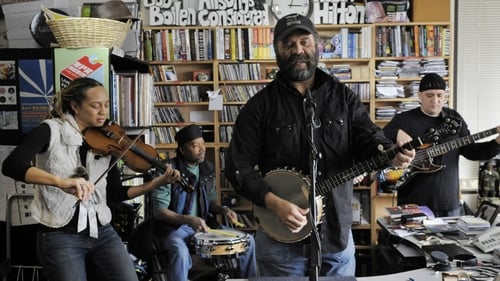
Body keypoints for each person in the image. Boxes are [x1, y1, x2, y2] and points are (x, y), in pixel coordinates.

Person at [224, 13, 414, 277]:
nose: (298, 50)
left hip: (336, 235)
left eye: (304, 41)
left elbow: (368, 140)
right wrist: (274, 203)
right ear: (276, 50)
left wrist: (391, 154)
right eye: (288, 44)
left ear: (317, 45)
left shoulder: (343, 97)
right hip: (280, 239)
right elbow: (236, 166)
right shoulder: (260, 106)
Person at [1, 77, 181, 281]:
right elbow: (12, 165)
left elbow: (114, 193)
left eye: (105, 105)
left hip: (101, 230)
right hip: (60, 234)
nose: (103, 112)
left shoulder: (107, 139)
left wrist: (155, 183)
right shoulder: (50, 130)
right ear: (75, 106)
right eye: (95, 106)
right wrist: (60, 182)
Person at [383, 73, 500, 217]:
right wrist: (397, 133)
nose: (435, 100)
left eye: (439, 95)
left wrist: (497, 143)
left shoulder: (454, 119)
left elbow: (472, 151)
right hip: (413, 202)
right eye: (429, 95)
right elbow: (380, 137)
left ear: (445, 95)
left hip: (447, 203)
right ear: (420, 96)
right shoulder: (405, 119)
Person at [151, 124, 257, 281]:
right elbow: (159, 212)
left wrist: (223, 210)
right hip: (175, 228)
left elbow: (211, 202)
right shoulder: (168, 171)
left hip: (205, 226)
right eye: (195, 145)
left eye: (203, 144)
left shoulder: (208, 169)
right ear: (182, 150)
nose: (202, 149)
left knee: (248, 241)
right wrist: (188, 219)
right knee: (180, 252)